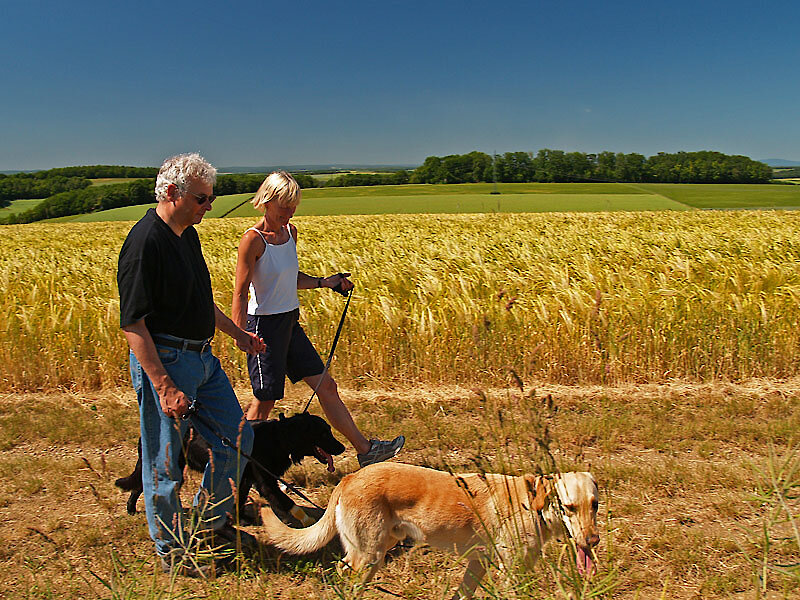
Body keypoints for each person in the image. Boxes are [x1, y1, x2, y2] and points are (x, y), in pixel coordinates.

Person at [117, 153, 266, 576]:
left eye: (211, 198)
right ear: (171, 193)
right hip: (167, 361)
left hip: (202, 358)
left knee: (238, 439)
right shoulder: (145, 242)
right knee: (165, 463)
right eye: (202, 199)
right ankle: (171, 549)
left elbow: (201, 302)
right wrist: (164, 386)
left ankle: (208, 523)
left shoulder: (187, 235)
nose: (209, 206)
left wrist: (239, 336)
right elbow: (132, 323)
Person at [232, 171, 404, 468]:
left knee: (326, 387)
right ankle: (239, 467)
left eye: (294, 205)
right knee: (264, 401)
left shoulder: (290, 233)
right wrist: (241, 335)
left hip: (289, 323)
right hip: (263, 327)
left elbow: (288, 279)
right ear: (267, 202)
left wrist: (326, 282)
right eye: (285, 205)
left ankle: (366, 450)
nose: (290, 212)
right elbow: (240, 292)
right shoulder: (252, 240)